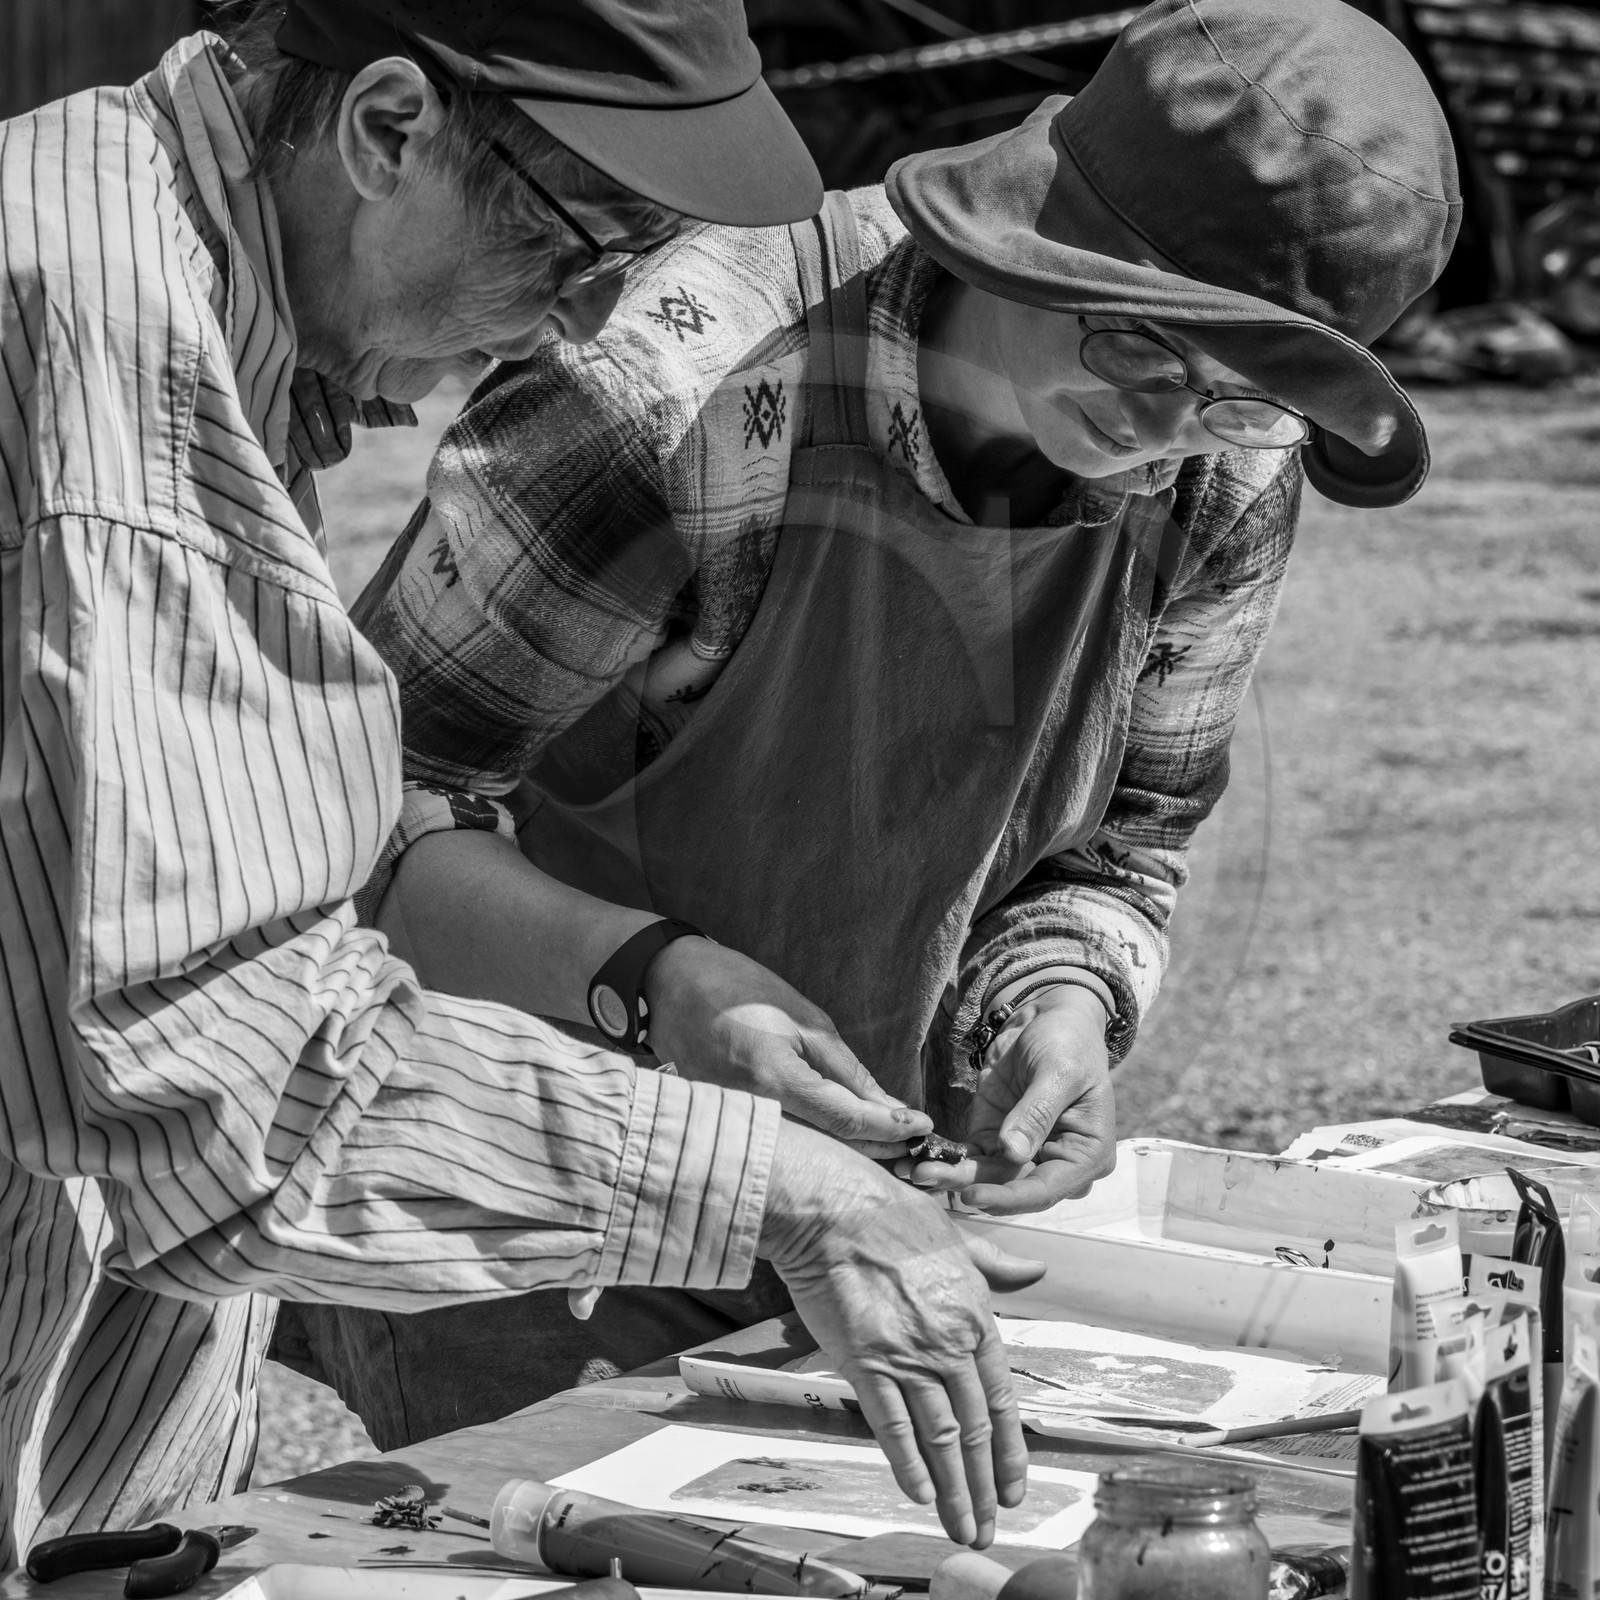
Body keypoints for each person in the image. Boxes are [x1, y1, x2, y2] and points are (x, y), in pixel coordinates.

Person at [317, 0, 1463, 1442]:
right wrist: (655, 982)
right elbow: (349, 822)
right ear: (1029, 235)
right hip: (531, 1183)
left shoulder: (1229, 467)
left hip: (874, 1205)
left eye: (1237, 396)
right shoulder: (678, 396)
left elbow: (1121, 850)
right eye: (1140, 351)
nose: (1170, 426)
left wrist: (1056, 1001)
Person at [0, 0, 1033, 1568]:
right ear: (390, 127)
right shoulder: (117, 388)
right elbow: (226, 1104)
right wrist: (776, 1190)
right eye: (579, 243)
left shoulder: (144, 245)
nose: (575, 324)